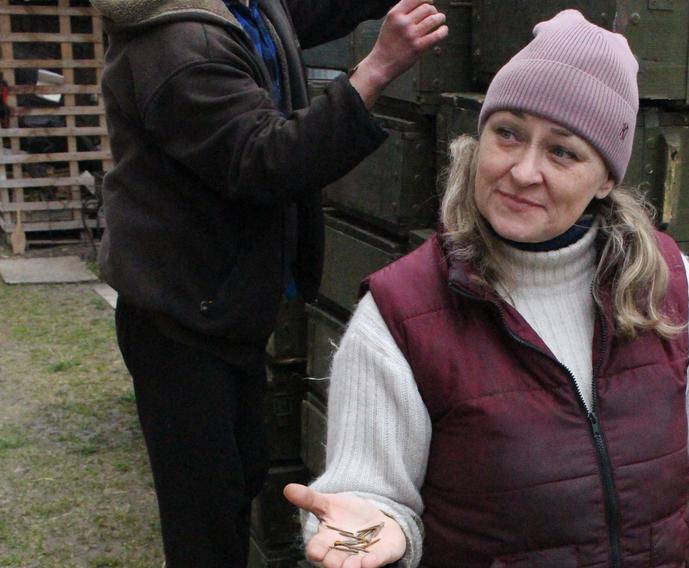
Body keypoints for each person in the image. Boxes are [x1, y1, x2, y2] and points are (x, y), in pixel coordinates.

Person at [284, 9, 689, 568]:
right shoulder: (401, 318)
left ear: (605, 178)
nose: (524, 171)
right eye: (507, 133)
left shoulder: (665, 284)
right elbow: (367, 498)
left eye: (563, 151)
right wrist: (370, 526)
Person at [91, 0, 448, 565]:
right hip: (180, 316)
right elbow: (267, 160)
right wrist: (376, 69)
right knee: (206, 519)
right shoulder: (179, 48)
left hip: (220, 301)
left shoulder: (242, 5)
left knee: (242, 476)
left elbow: (308, 12)